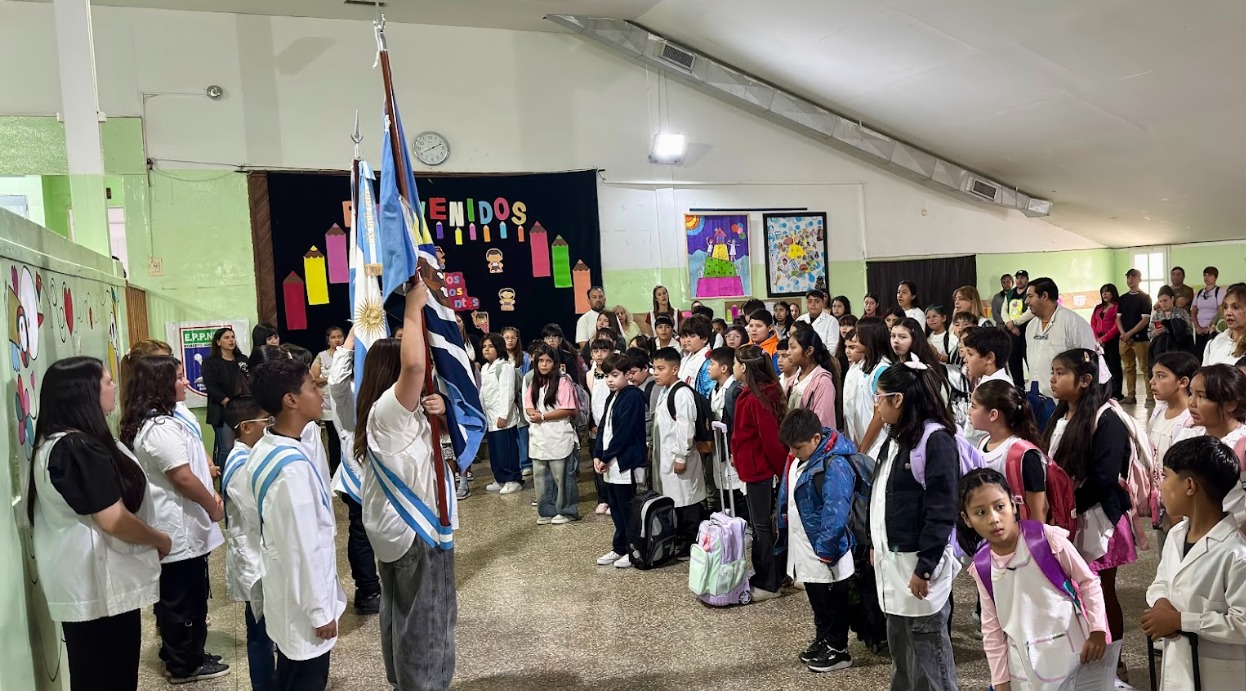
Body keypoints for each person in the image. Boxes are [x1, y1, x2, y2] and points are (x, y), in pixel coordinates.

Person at [28, 357, 169, 691]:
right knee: (108, 677)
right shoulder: (76, 447)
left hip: (93, 585)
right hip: (98, 588)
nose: (114, 387)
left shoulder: (65, 442)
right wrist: (158, 539)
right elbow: (113, 519)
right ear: (85, 393)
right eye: (107, 381)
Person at [354, 278, 457, 689]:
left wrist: (442, 411)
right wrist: (414, 305)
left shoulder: (386, 413)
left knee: (400, 613)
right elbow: (415, 367)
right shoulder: (388, 410)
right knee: (427, 622)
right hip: (416, 531)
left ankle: (404, 682)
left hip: (394, 532)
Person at [119, 355, 228, 683]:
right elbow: (182, 477)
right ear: (160, 384)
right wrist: (212, 506)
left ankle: (187, 654)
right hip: (177, 529)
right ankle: (184, 665)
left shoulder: (164, 421)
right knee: (182, 601)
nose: (185, 382)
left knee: (187, 596)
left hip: (182, 526)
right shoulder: (160, 429)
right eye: (179, 377)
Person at [960, 468, 1109, 691]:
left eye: (999, 507)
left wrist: (1097, 630)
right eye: (980, 512)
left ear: (1013, 504)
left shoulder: (1046, 539)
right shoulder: (982, 566)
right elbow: (991, 628)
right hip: (1024, 670)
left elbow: (1088, 582)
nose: (993, 519)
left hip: (1071, 653)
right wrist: (1000, 680)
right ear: (967, 519)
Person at [247, 357, 345, 690]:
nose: (320, 393)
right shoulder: (291, 472)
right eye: (312, 387)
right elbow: (303, 548)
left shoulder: (267, 445)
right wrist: (320, 612)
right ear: (290, 400)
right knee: (304, 678)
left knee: (289, 675)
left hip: (288, 590)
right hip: (304, 604)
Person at [1041, 349, 1135, 682]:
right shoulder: (1060, 415)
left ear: (1084, 380)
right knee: (1075, 591)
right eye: (1053, 372)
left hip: (1097, 519)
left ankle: (1113, 663)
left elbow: (1104, 477)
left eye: (1060, 373)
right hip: (1066, 516)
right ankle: (1081, 655)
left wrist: (1068, 506)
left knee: (1101, 591)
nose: (1053, 379)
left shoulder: (1107, 419)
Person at [871, 358, 961, 691]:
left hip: (918, 566)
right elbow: (881, 494)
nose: (876, 406)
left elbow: (942, 510)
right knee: (902, 650)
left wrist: (925, 568)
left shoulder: (935, 441)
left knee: (928, 653)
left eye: (879, 398)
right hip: (892, 562)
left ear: (898, 400)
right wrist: (874, 544)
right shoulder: (896, 437)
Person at [1142, 436, 1246, 690]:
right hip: (1178, 669)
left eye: (1165, 476)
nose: (1160, 486)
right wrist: (1161, 602)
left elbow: (1243, 623)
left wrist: (1181, 621)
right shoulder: (1177, 535)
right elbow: (1162, 581)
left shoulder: (1235, 554)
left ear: (1189, 485)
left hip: (1220, 677)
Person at [777, 409, 858, 673]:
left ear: (815, 438)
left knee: (834, 601)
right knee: (818, 598)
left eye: (798, 447)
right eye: (790, 448)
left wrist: (826, 548)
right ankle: (823, 639)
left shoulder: (835, 464)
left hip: (828, 549)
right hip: (805, 545)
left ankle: (839, 648)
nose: (793, 453)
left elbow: (836, 511)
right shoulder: (799, 459)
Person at [322, 329, 383, 616]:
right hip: (358, 475)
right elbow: (335, 380)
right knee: (362, 531)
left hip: (387, 474)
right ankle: (367, 589)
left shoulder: (385, 389)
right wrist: (350, 339)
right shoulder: (347, 392)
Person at [220, 396, 276, 691]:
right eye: (265, 421)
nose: (269, 426)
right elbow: (258, 513)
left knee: (267, 627)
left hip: (260, 553)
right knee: (259, 631)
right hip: (253, 557)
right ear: (246, 427)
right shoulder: (240, 465)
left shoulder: (250, 455)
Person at [730, 344, 788, 600]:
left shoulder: (757, 398)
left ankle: (768, 583)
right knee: (761, 525)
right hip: (753, 469)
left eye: (735, 363)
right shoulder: (752, 393)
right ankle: (768, 574)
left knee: (762, 527)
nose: (733, 368)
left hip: (759, 471)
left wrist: (783, 473)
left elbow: (771, 441)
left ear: (744, 367)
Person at [592, 352, 648, 569]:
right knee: (615, 507)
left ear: (627, 374)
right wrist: (598, 454)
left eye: (615, 375)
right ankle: (619, 547)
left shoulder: (633, 396)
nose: (610, 380)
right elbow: (603, 427)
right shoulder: (612, 396)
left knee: (628, 509)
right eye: (607, 375)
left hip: (625, 462)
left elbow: (624, 432)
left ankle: (633, 549)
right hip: (610, 462)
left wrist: (606, 457)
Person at [1173, 364, 1246, 528]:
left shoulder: (1241, 445)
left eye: (1202, 396)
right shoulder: (1188, 436)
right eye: (1191, 393)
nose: (1191, 402)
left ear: (1231, 404)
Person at [652, 347, 707, 560]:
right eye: (654, 368)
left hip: (679, 458)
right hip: (666, 458)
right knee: (676, 501)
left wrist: (681, 455)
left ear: (675, 369)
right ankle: (680, 540)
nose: (656, 373)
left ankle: (691, 542)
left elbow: (686, 426)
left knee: (687, 502)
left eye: (661, 368)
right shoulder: (665, 391)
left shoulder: (681, 393)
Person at [968, 380, 1048, 522]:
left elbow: (1038, 511)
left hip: (1019, 532)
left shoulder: (1025, 455)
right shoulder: (983, 443)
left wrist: (1033, 536)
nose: (969, 411)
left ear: (993, 414)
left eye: (974, 406)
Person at [1024, 277, 1097, 428]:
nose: (1026, 301)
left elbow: (1090, 361)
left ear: (1044, 296)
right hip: (1036, 398)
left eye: (1030, 296)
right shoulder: (1031, 326)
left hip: (1064, 402)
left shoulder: (1073, 323)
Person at [523, 344, 582, 525]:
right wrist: (533, 413)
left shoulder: (563, 382)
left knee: (562, 477)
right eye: (540, 361)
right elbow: (528, 404)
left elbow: (569, 409)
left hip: (558, 435)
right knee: (541, 477)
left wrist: (542, 416)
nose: (544, 364)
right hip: (539, 437)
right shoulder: (534, 381)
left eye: (548, 361)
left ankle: (567, 511)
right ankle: (547, 511)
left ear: (555, 363)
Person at [480, 333, 523, 496]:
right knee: (495, 451)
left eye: (490, 346)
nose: (486, 349)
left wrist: (503, 415)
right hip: (489, 417)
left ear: (498, 348)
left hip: (502, 417)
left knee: (506, 449)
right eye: (484, 346)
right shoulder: (485, 368)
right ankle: (500, 478)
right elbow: (483, 393)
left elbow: (507, 393)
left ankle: (513, 479)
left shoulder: (505, 367)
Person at [202, 326, 249, 472]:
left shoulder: (242, 360)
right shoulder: (210, 362)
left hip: (243, 409)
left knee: (245, 445)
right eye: (227, 338)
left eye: (233, 337)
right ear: (218, 342)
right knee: (227, 447)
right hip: (222, 410)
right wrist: (228, 402)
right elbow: (211, 386)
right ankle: (224, 478)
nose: (231, 340)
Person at [850, 318, 894, 457]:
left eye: (859, 335)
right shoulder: (863, 365)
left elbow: (879, 416)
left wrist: (862, 449)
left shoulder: (882, 369)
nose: (854, 339)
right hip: (864, 440)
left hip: (877, 443)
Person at [786, 327, 838, 429]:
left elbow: (823, 423)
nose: (788, 352)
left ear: (809, 351)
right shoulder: (793, 380)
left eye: (793, 347)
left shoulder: (823, 383)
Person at [311, 325, 346, 475]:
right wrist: (331, 378)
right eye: (333, 337)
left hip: (346, 402)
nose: (337, 340)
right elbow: (314, 379)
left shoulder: (349, 354)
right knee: (333, 438)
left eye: (339, 336)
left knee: (347, 437)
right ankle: (335, 470)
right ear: (328, 340)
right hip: (328, 403)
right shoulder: (321, 356)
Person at [1117, 268, 1154, 405]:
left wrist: (1129, 334)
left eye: (1133, 277)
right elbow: (1118, 318)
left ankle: (1150, 397)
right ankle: (1131, 396)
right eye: (1128, 277)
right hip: (1124, 339)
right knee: (1128, 368)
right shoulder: (1123, 298)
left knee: (1145, 368)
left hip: (1140, 339)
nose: (1130, 279)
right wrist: (1123, 334)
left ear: (1139, 279)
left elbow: (1145, 320)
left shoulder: (1145, 298)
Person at [587, 336, 615, 514]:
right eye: (596, 351)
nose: (599, 354)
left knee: (611, 463)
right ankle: (602, 498)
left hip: (612, 426)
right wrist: (591, 423)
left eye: (604, 351)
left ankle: (613, 500)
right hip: (596, 427)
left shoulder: (614, 374)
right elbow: (588, 402)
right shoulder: (589, 375)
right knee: (597, 463)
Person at [502, 327, 533, 479]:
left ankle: (526, 463)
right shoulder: (500, 360)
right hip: (505, 400)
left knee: (523, 431)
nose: (510, 340)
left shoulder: (525, 358)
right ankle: (513, 464)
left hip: (521, 399)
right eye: (506, 337)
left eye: (513, 337)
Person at [1003, 270, 1033, 391]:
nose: (1019, 280)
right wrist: (1010, 325)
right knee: (1014, 362)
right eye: (1018, 278)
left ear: (1027, 279)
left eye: (1022, 278)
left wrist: (1015, 323)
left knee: (1030, 359)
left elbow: (1030, 312)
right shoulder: (1010, 293)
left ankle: (1035, 388)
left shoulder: (1030, 292)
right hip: (1011, 331)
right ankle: (1019, 389)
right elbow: (1004, 311)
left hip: (1026, 330)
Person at [1092, 284, 1123, 400]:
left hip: (1112, 340)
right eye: (1103, 292)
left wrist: (1104, 339)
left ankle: (1116, 393)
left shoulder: (1117, 307)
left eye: (1107, 291)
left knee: (1114, 366)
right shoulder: (1098, 308)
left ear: (1113, 293)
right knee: (1102, 366)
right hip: (1098, 340)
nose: (1104, 294)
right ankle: (1104, 392)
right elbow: (1093, 323)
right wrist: (1097, 339)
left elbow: (1116, 326)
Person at [1203, 282, 1246, 366]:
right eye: (1225, 307)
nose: (1228, 313)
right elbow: (1204, 371)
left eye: (1235, 307)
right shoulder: (1216, 342)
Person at [678, 314, 715, 398]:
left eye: (692, 336)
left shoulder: (708, 360)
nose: (686, 340)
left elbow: (709, 391)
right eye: (684, 336)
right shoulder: (685, 358)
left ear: (704, 339)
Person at [1190, 267, 1223, 357]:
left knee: (1211, 354)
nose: (1206, 277)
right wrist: (1197, 327)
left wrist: (1210, 326)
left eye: (1210, 275)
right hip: (1199, 330)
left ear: (1215, 277)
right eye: (1205, 275)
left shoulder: (1219, 292)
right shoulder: (1199, 292)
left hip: (1212, 329)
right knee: (1199, 354)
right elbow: (1193, 311)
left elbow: (1221, 311)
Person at [540, 323, 586, 387]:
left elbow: (574, 379)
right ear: (544, 340)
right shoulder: (539, 356)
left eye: (554, 337)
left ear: (560, 340)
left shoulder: (567, 357)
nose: (551, 340)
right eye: (548, 337)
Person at [797, 289, 841, 354]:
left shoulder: (831, 321)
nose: (813, 304)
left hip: (823, 358)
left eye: (817, 301)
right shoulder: (800, 320)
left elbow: (833, 347)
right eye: (810, 301)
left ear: (823, 303)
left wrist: (818, 357)